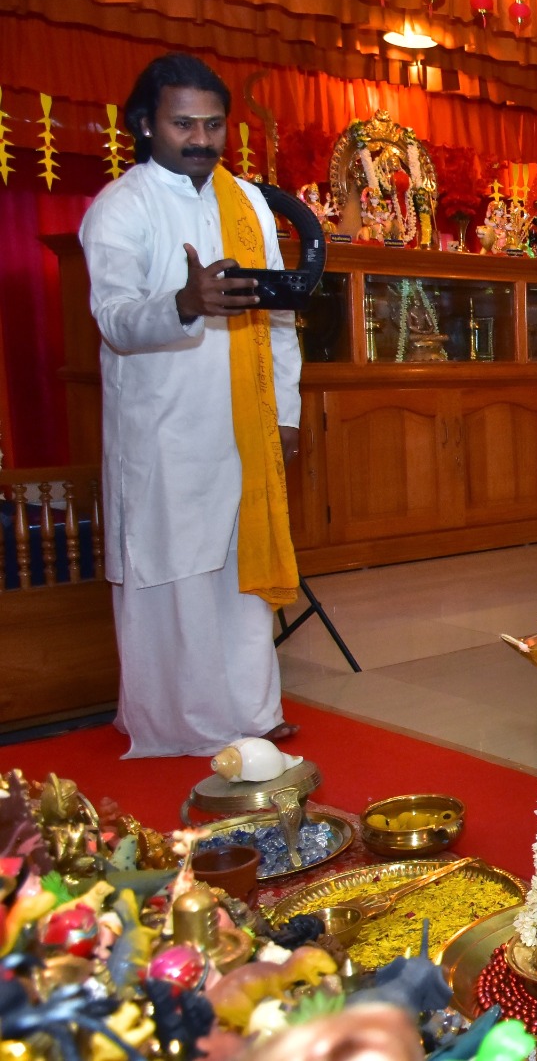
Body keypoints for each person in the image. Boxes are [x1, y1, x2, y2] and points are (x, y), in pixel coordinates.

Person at [78, 53, 302, 757]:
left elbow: (279, 316)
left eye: (213, 125)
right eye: (184, 124)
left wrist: (285, 411)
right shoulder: (122, 206)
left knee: (238, 568)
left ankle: (252, 712)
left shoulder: (249, 204)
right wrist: (183, 301)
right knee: (175, 572)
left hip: (243, 426)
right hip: (164, 430)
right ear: (146, 124)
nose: (201, 139)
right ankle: (182, 722)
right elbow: (114, 319)